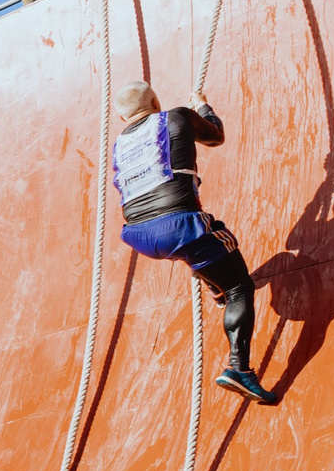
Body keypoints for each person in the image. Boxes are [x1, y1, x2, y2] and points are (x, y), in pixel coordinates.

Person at [111, 80, 279, 405]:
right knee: (239, 287)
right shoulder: (177, 117)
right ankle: (239, 370)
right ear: (156, 100)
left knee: (216, 234)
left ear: (122, 119)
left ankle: (214, 284)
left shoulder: (120, 145)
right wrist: (202, 106)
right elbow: (215, 136)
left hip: (139, 234)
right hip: (178, 225)